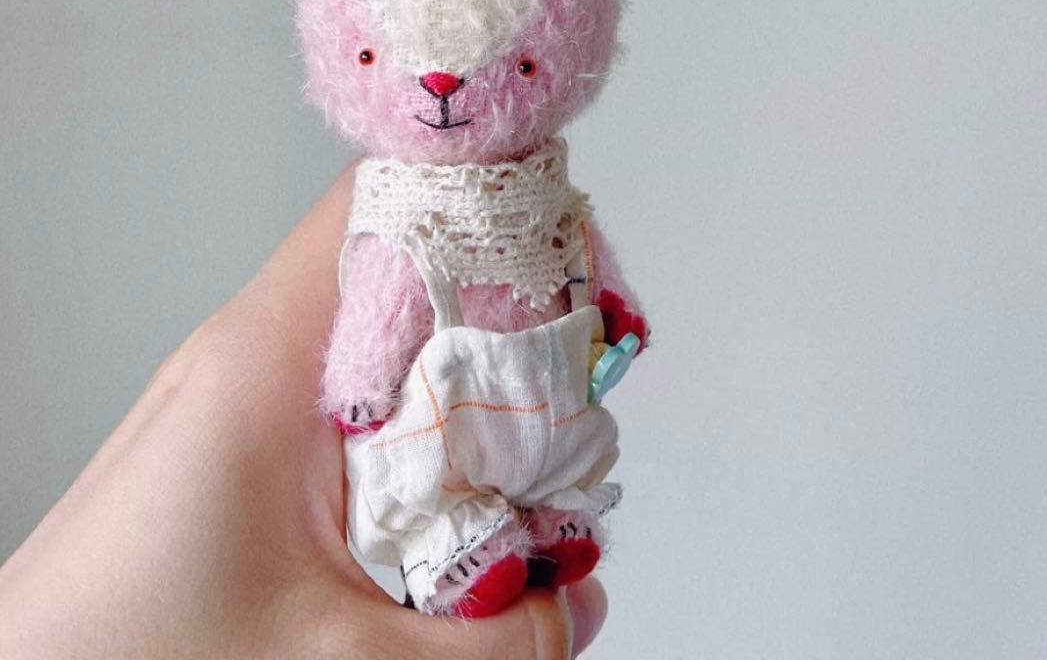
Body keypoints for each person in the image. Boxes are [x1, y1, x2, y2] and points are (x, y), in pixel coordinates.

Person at [0, 167, 607, 658]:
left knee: (551, 452)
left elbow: (590, 264)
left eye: (524, 67)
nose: (447, 89)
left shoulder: (550, 205)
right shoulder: (398, 213)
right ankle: (456, 552)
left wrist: (616, 314)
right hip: (447, 410)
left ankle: (548, 513)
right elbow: (379, 312)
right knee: (432, 476)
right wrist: (361, 380)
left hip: (543, 400)